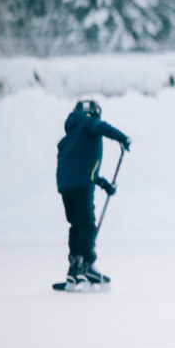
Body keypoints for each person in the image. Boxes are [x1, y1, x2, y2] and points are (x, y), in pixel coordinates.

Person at [55, 99, 131, 291]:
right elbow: (101, 127)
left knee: (77, 225)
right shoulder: (88, 123)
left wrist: (103, 184)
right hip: (80, 186)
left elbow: (82, 167)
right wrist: (122, 138)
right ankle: (87, 265)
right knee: (87, 224)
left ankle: (74, 268)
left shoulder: (74, 133)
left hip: (67, 186)